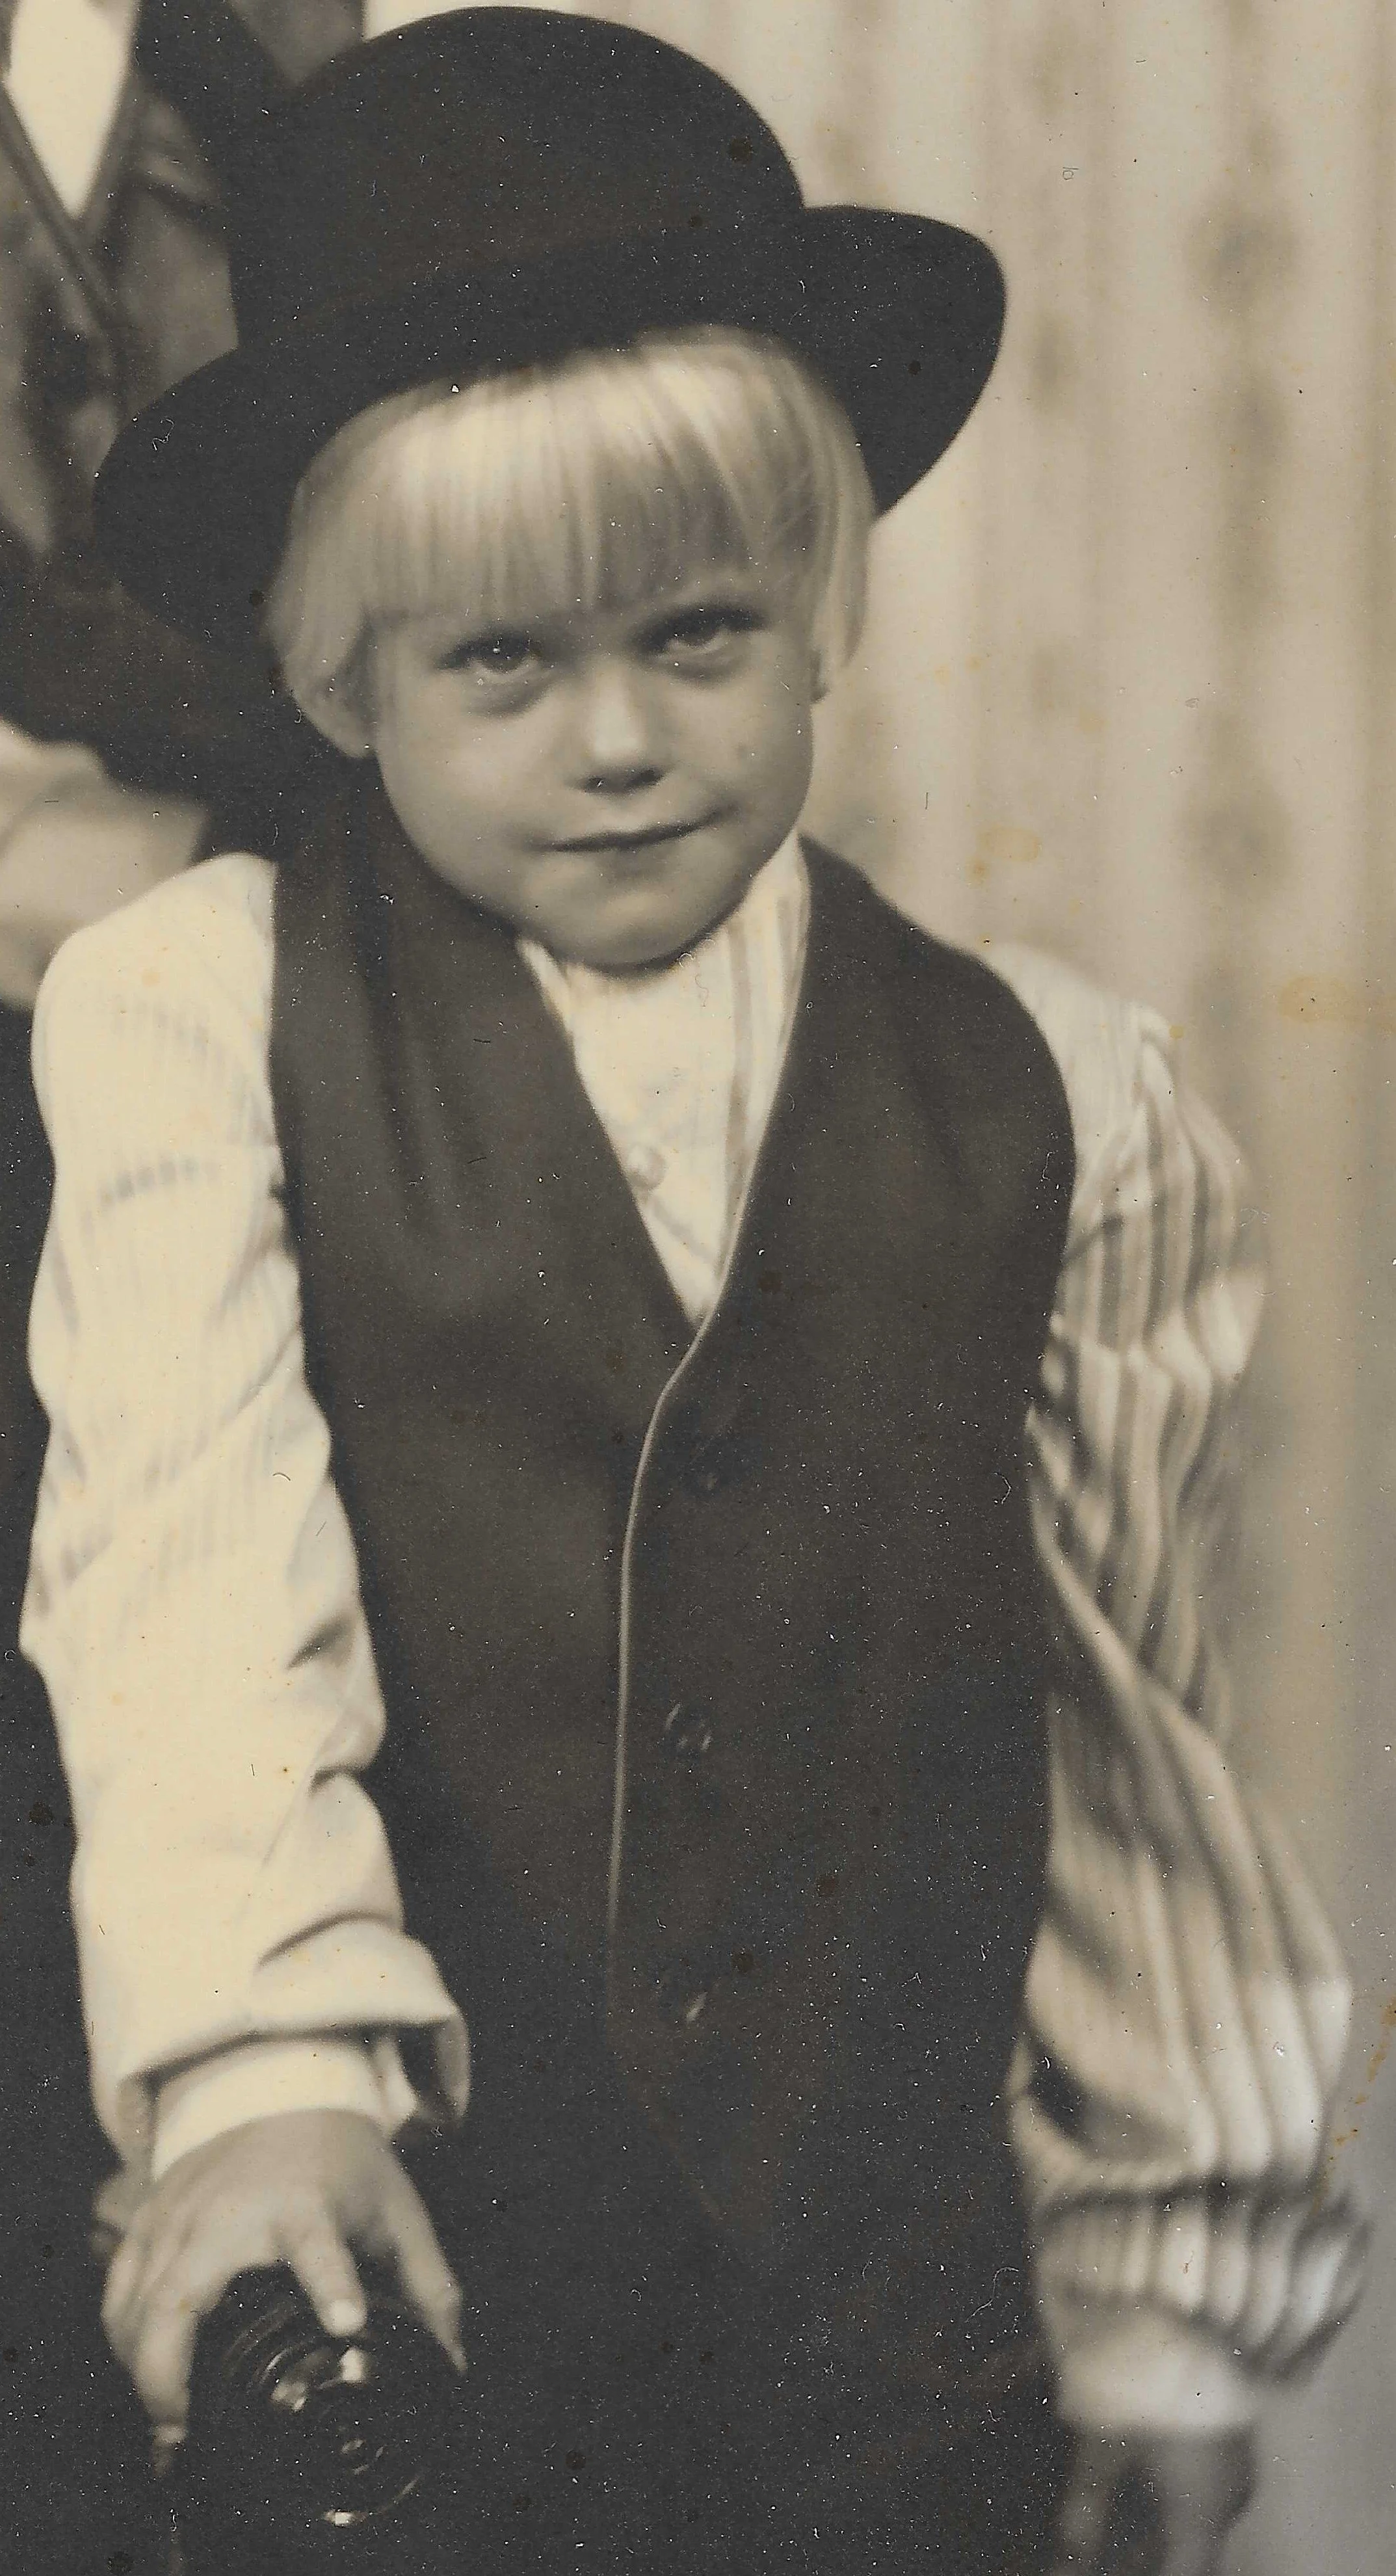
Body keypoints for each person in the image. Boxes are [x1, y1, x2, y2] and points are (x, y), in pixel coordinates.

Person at [20, 13, 1366, 2572]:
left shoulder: (1054, 1095)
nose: (617, 741)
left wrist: (1173, 2288)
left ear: (824, 620)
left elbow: (1120, 1747)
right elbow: (184, 1578)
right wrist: (259, 2068)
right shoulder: (195, 1016)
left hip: (895, 2346)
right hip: (424, 2294)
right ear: (344, 687)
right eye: (500, 667)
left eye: (698, 634)